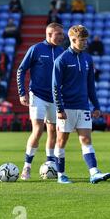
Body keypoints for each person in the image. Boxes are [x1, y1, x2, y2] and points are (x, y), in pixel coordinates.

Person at [52, 25, 110, 184]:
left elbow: (91, 85)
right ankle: (61, 175)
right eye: (82, 40)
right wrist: (59, 108)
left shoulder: (88, 59)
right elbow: (55, 87)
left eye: (86, 40)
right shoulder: (62, 60)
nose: (85, 43)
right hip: (66, 108)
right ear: (72, 40)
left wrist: (96, 106)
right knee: (61, 142)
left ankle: (94, 172)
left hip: (83, 106)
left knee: (86, 139)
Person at [17, 23, 65, 180]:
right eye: (58, 34)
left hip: (54, 97)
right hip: (37, 95)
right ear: (49, 34)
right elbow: (21, 70)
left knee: (53, 131)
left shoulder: (61, 51)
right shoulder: (36, 49)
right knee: (38, 130)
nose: (61, 36)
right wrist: (22, 93)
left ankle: (50, 163)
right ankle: (27, 167)